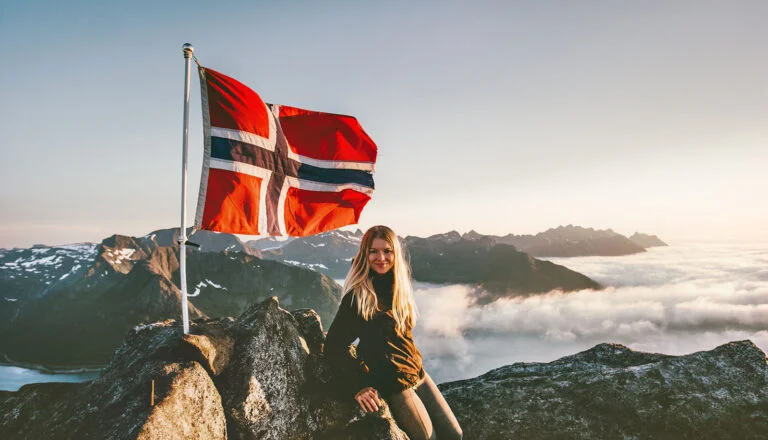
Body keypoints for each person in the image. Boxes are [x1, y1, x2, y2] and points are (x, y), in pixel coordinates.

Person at [324, 225, 463, 440]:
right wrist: (358, 385)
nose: (381, 257)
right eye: (374, 251)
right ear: (365, 254)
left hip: (417, 372)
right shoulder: (358, 297)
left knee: (455, 434)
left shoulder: (398, 287)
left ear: (395, 254)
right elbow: (334, 345)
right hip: (394, 382)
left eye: (387, 251)